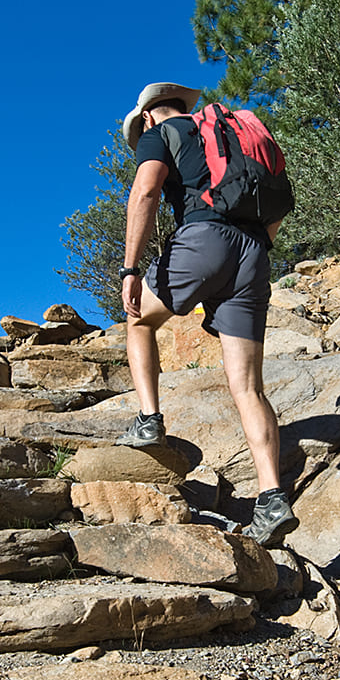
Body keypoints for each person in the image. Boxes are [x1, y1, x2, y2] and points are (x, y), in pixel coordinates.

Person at [115, 80, 298, 548]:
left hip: (204, 239)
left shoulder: (162, 131)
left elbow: (145, 192)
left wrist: (131, 268)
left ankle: (148, 421)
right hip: (254, 250)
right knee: (249, 387)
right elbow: (281, 194)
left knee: (139, 318)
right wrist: (257, 247)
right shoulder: (236, 132)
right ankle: (272, 498)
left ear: (150, 114)